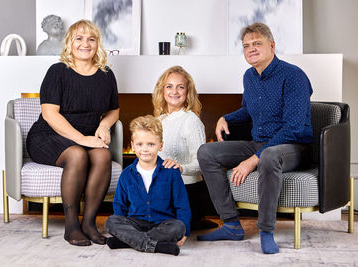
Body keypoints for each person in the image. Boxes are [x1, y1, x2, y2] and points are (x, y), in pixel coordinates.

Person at [196, 22, 313, 254]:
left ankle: (266, 231)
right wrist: (225, 117)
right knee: (206, 152)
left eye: (257, 43)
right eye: (246, 45)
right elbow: (249, 110)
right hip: (259, 142)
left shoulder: (293, 76)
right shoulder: (249, 76)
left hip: (291, 146)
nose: (251, 48)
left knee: (269, 155)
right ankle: (230, 224)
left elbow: (294, 126)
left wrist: (253, 159)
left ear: (272, 45)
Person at [26, 20, 119, 246]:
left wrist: (104, 126)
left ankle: (89, 223)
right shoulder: (58, 71)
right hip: (47, 136)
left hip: (85, 137)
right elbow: (49, 114)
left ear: (97, 44)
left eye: (91, 39)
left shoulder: (106, 75)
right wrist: (81, 138)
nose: (85, 44)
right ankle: (71, 226)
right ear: (70, 43)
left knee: (103, 155)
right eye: (79, 38)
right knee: (77, 154)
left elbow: (114, 110)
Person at [105, 115, 191, 256]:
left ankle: (129, 242)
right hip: (135, 224)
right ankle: (158, 246)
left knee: (179, 227)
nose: (145, 149)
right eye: (140, 144)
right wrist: (120, 230)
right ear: (132, 145)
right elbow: (119, 205)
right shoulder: (126, 174)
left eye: (151, 144)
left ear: (160, 146)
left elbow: (182, 205)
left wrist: (185, 233)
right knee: (111, 221)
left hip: (162, 224)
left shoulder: (171, 172)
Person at [151, 65, 218, 230]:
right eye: (169, 86)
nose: (174, 91)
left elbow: (202, 163)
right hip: (163, 188)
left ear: (188, 92)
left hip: (186, 191)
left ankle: (191, 219)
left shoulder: (191, 121)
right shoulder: (158, 120)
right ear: (162, 90)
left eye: (180, 87)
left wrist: (181, 168)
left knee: (156, 225)